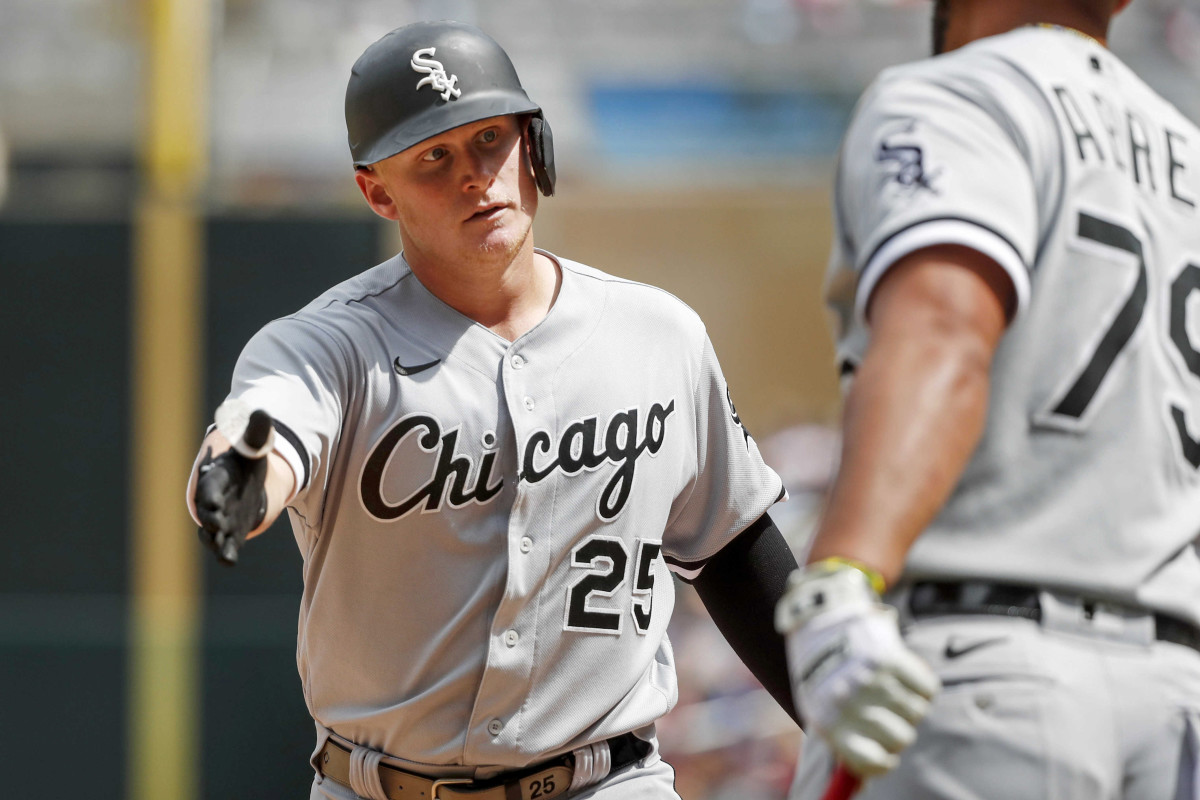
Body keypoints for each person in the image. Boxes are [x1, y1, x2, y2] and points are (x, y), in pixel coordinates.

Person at [187, 20, 800, 800]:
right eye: (433, 157)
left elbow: (736, 548)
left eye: (488, 138)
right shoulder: (327, 346)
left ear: (533, 143)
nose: (477, 175)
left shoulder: (658, 336)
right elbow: (264, 431)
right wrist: (241, 477)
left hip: (607, 781)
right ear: (377, 190)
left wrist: (845, 722)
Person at [774, 0, 1200, 797]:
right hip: (1177, 697)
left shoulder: (960, 94)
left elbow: (946, 326)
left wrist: (841, 573)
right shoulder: (1191, 148)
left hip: (984, 680)